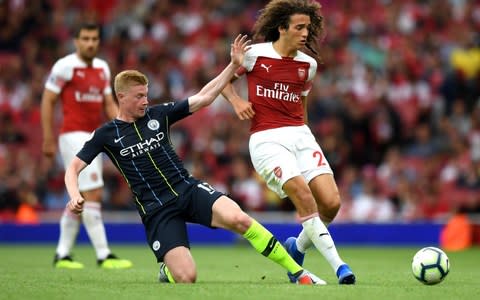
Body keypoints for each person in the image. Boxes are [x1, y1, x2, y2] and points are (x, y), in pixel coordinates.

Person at [64, 34, 324, 284]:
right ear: (121, 97)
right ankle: (167, 269)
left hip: (186, 189)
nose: (146, 101)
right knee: (187, 277)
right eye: (139, 97)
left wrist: (233, 65)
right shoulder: (106, 134)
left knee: (240, 219)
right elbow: (73, 168)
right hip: (157, 209)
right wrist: (75, 195)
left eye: (146, 94)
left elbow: (205, 96)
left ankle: (298, 272)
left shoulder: (159, 115)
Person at [221, 0, 355, 284]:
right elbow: (223, 80)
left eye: (308, 27)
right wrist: (236, 101)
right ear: (282, 28)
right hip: (267, 138)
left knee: (331, 203)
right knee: (304, 196)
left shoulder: (309, 65)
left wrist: (305, 138)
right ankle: (340, 267)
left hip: (300, 135)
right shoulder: (254, 54)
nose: (306, 33)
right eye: (299, 27)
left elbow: (301, 105)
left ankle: (297, 246)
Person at [41, 22, 132, 269]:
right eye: (85, 38)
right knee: (94, 193)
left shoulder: (102, 68)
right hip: (72, 134)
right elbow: (48, 100)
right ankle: (103, 255)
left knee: (80, 197)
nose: (90, 43)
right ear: (76, 41)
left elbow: (108, 103)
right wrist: (48, 138)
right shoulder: (65, 66)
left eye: (94, 38)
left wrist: (122, 127)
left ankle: (62, 254)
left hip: (93, 136)